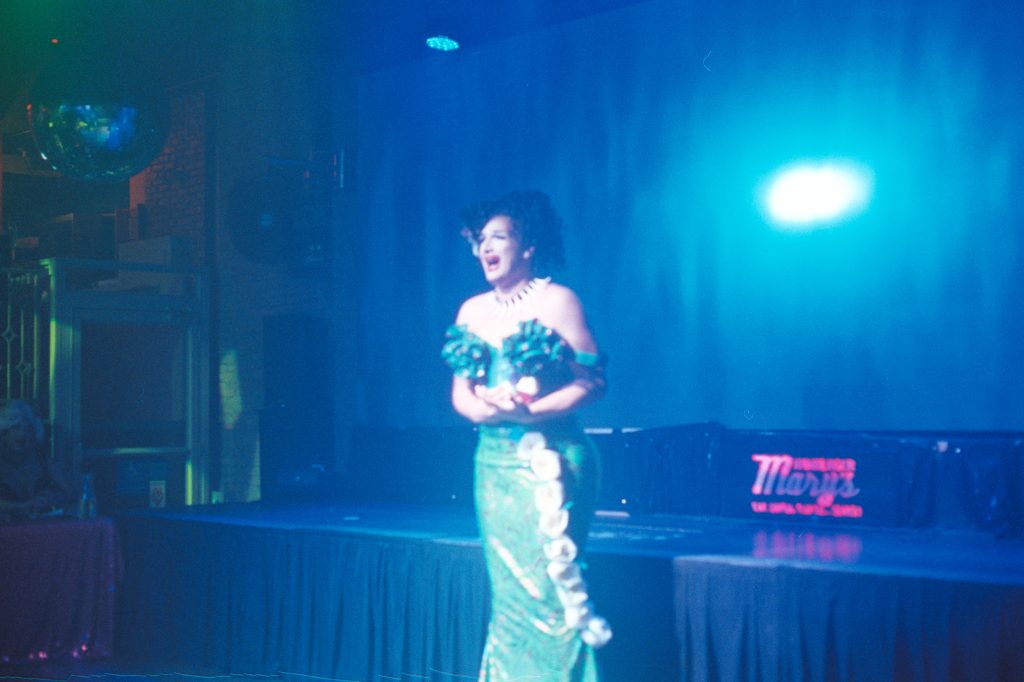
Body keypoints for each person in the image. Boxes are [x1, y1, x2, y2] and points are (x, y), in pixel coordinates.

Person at [442, 191, 611, 681]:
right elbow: (461, 394)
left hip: (552, 460)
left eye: (498, 237)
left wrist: (530, 411)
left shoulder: (558, 301)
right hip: (493, 466)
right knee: (511, 595)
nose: (485, 248)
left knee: (551, 589)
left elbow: (593, 383)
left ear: (529, 246)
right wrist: (486, 409)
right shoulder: (471, 310)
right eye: (480, 240)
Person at [0, 399, 72, 520]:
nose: (22, 434)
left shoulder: (42, 458)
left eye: (28, 429)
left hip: (39, 527)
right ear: (4, 432)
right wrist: (16, 507)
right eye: (16, 428)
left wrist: (50, 499)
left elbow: (68, 492)